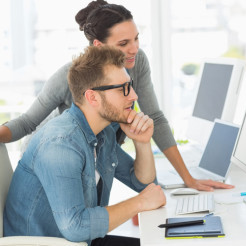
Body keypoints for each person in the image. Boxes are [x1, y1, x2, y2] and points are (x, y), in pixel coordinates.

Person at [0, 0, 233, 191]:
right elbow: (27, 123)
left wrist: (188, 178)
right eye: (123, 43)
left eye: (136, 38)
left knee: (149, 190)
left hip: (101, 149)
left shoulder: (136, 60)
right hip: (56, 158)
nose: (134, 49)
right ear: (99, 46)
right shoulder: (68, 77)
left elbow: (156, 118)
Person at [4, 45, 166, 246]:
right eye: (123, 89)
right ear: (92, 97)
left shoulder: (102, 132)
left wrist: (142, 142)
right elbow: (75, 226)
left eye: (130, 85)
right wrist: (140, 203)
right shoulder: (61, 143)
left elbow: (143, 183)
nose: (134, 96)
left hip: (82, 240)